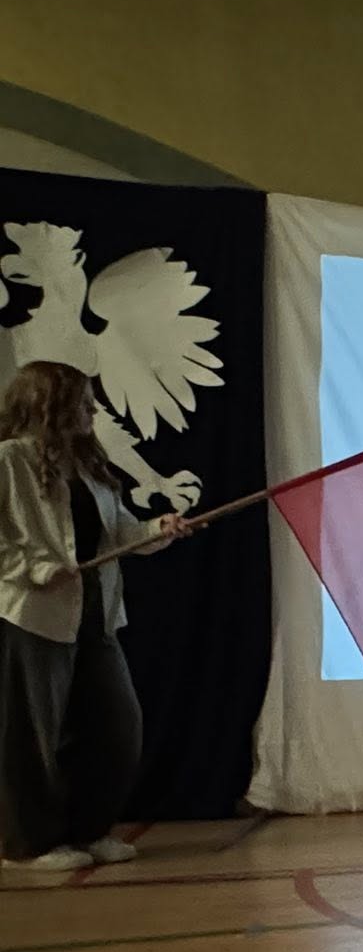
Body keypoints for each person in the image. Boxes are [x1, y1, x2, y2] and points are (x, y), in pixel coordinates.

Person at [0, 362, 194, 870]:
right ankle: (29, 844)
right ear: (50, 403)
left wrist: (157, 529)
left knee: (116, 726)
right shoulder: (10, 460)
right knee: (31, 734)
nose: (94, 410)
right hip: (32, 617)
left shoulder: (88, 466)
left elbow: (120, 533)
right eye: (84, 401)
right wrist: (36, 568)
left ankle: (89, 830)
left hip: (94, 614)